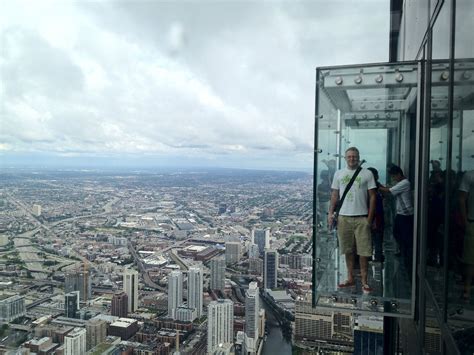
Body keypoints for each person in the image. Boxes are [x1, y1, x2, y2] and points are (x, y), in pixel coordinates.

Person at [328, 147, 377, 294]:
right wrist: (330, 213)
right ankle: (350, 278)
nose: (352, 159)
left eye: (354, 157)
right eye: (349, 157)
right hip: (344, 217)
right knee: (347, 250)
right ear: (345, 158)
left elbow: (373, 196)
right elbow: (334, 195)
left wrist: (369, 218)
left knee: (364, 251)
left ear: (359, 157)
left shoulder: (367, 174)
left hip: (362, 217)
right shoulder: (339, 174)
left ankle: (364, 281)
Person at [379, 165, 414, 275]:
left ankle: (407, 256)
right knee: (397, 233)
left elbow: (388, 191)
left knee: (404, 237)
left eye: (394, 176)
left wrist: (375, 185)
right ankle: (403, 253)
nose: (393, 178)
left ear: (399, 174)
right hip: (401, 214)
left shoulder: (405, 183)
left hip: (406, 215)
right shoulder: (400, 183)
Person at [458, 170, 474, 302]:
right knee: (469, 258)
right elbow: (462, 199)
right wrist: (465, 222)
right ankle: (467, 287)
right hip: (472, 221)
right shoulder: (470, 175)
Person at [367, 167, 385, 262]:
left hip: (372, 218)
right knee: (377, 240)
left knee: (370, 240)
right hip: (375, 218)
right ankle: (377, 258)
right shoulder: (377, 188)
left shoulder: (370, 187)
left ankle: (371, 257)